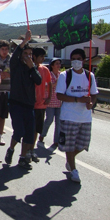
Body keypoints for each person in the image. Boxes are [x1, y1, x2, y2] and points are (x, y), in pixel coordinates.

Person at [56, 48, 98, 183]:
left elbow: (94, 93)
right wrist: (78, 100)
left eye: (79, 59)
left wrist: (91, 103)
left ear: (84, 60)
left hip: (85, 117)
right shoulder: (65, 76)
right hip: (69, 116)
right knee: (69, 145)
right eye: (73, 59)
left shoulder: (89, 75)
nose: (76, 62)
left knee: (82, 145)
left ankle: (70, 159)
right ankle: (73, 170)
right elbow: (59, 95)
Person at [4, 30, 42, 170]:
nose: (28, 57)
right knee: (19, 131)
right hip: (16, 104)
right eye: (25, 54)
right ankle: (11, 149)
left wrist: (32, 68)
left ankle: (23, 158)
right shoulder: (16, 66)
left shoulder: (33, 69)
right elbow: (14, 56)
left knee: (29, 134)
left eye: (30, 55)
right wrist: (24, 41)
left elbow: (38, 81)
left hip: (29, 105)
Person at [29, 47, 52, 163]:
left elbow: (50, 83)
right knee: (29, 129)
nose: (43, 59)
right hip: (30, 104)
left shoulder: (45, 70)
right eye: (41, 56)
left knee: (36, 130)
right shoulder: (28, 68)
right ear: (34, 56)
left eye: (44, 56)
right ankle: (26, 151)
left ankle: (31, 150)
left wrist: (49, 97)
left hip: (41, 105)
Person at [39, 58, 62, 147]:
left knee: (59, 122)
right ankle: (42, 134)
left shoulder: (61, 75)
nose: (58, 65)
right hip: (50, 102)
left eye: (59, 64)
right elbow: (44, 87)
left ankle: (56, 140)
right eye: (56, 64)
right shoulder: (49, 74)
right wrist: (55, 84)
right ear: (52, 65)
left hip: (59, 102)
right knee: (49, 120)